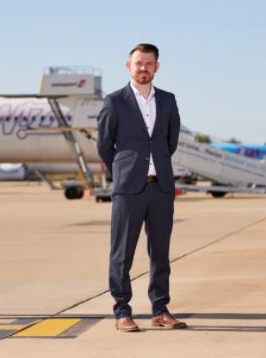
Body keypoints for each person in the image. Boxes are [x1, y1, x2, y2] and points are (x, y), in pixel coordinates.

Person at [97, 43, 185, 332]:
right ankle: (122, 310)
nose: (143, 68)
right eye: (138, 63)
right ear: (128, 66)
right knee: (122, 252)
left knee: (160, 251)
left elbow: (170, 142)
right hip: (128, 189)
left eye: (149, 63)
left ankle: (160, 309)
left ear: (156, 67)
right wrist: (125, 170)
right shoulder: (114, 102)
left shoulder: (169, 101)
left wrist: (154, 165)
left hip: (161, 188)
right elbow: (104, 145)